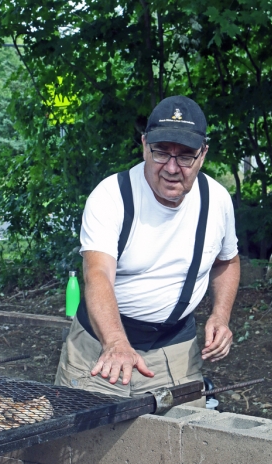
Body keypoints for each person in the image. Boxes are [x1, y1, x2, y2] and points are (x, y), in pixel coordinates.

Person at [55, 95, 240, 405]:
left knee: (183, 445)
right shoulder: (111, 196)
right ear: (144, 145)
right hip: (102, 349)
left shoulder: (217, 201)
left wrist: (220, 316)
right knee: (88, 445)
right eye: (161, 152)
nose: (171, 167)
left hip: (177, 352)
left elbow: (228, 261)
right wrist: (115, 343)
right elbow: (98, 275)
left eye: (185, 156)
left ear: (203, 154)